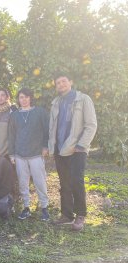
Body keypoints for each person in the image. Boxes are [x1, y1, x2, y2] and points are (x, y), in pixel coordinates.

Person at [49, 72, 97, 231]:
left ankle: (80, 215)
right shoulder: (56, 102)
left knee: (77, 181)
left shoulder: (83, 99)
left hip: (77, 149)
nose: (61, 85)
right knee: (64, 183)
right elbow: (53, 127)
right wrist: (52, 146)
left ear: (70, 82)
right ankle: (66, 215)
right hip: (60, 149)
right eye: (58, 83)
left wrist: (82, 145)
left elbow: (91, 125)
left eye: (63, 81)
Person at [8, 88, 50, 221]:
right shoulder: (14, 115)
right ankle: (26, 207)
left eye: (26, 97)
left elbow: (47, 130)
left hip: (36, 154)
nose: (24, 99)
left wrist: (45, 146)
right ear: (18, 100)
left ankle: (44, 207)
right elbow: (11, 135)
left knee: (40, 181)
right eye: (21, 97)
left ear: (30, 98)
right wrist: (12, 154)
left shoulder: (40, 112)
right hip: (20, 155)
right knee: (23, 183)